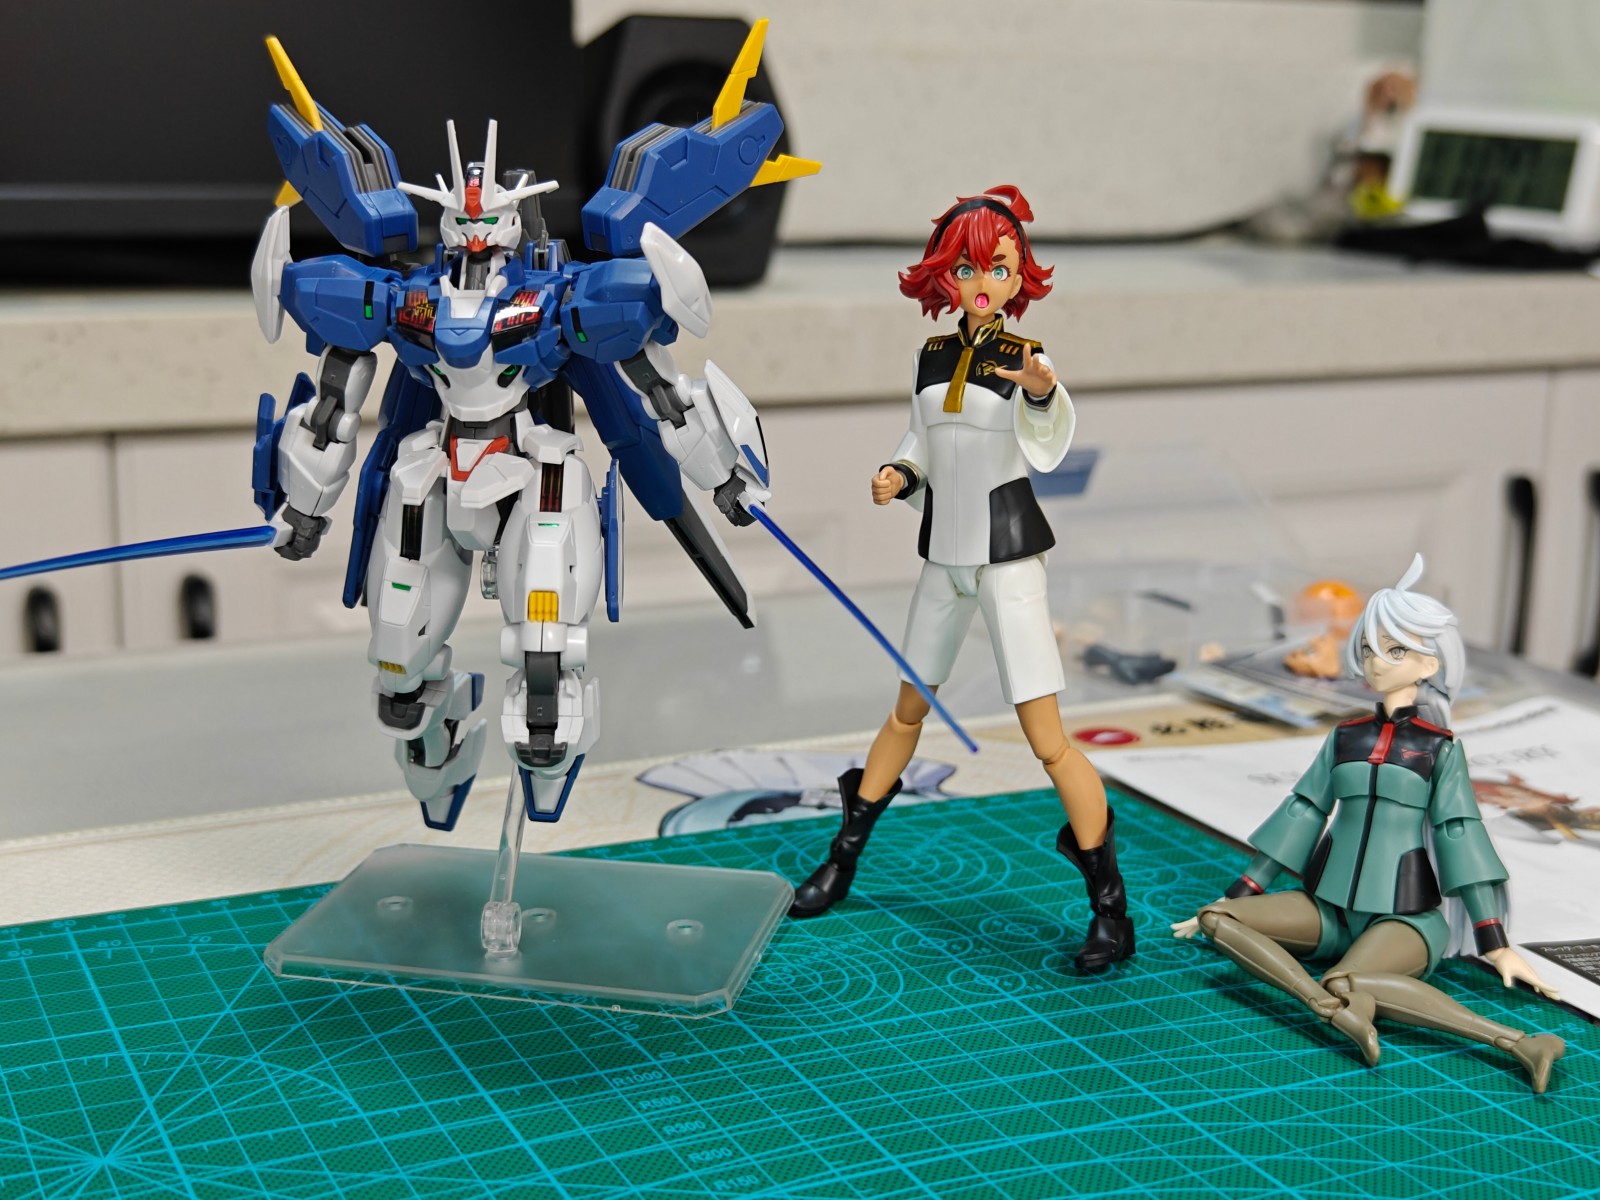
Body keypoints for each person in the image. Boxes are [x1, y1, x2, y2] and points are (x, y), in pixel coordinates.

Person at [788, 186, 1134, 973]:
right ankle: (842, 859)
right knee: (906, 710)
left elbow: (1046, 434)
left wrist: (1040, 389)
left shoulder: (1026, 358)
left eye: (999, 268)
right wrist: (898, 474)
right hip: (944, 556)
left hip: (1006, 557)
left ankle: (1111, 909)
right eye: (969, 268)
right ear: (945, 274)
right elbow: (923, 440)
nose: (983, 283)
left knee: (1048, 741)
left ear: (1020, 277)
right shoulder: (932, 355)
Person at [1175, 554, 1565, 1091]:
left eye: (1395, 649)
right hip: (1326, 908)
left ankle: (1520, 1043)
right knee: (1220, 920)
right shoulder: (1345, 737)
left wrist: (1493, 941)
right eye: (1369, 648)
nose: (1377, 661)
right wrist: (1240, 892)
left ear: (1429, 664)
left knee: (1348, 979)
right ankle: (1328, 1008)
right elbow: (1303, 811)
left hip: (1404, 920)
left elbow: (1459, 833)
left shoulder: (1439, 749)